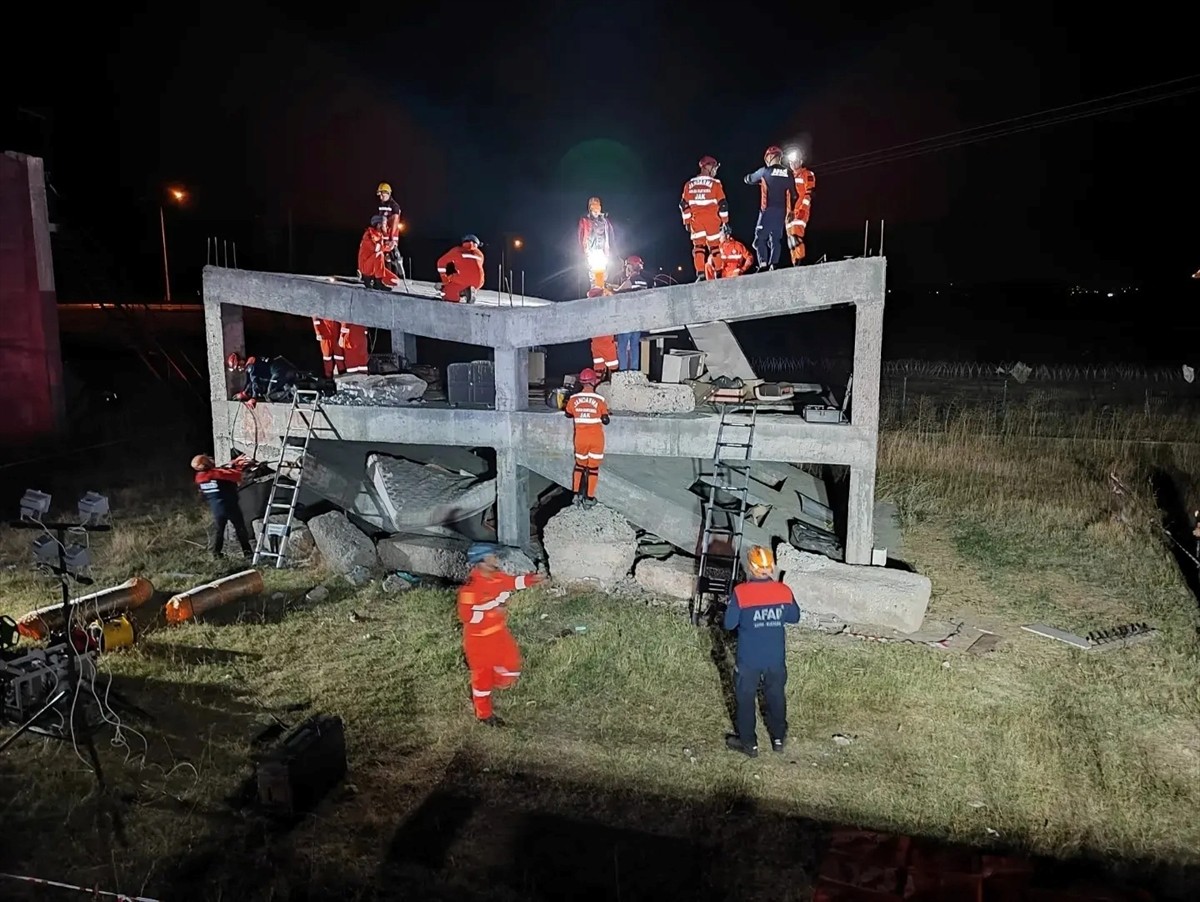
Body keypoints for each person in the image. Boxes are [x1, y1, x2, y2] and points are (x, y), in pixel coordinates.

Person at [722, 545, 801, 757]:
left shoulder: (741, 593)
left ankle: (749, 744)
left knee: (745, 698)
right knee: (776, 696)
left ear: (750, 567)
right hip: (775, 657)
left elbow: (729, 624)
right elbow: (794, 617)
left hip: (749, 659)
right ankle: (778, 738)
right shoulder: (783, 591)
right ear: (772, 566)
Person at [457, 542, 543, 726]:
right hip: (479, 641)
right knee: (483, 680)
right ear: (482, 561)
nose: (496, 558)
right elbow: (466, 616)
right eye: (492, 556)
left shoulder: (497, 577)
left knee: (511, 667)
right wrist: (492, 611)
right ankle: (484, 714)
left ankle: (491, 675)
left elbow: (512, 583)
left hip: (499, 634)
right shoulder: (470, 589)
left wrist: (531, 580)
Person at [191, 453, 255, 559]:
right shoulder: (217, 474)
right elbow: (236, 476)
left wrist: (233, 463)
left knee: (218, 531)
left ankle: (215, 554)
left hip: (216, 508)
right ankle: (248, 553)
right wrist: (240, 466)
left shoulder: (200, 477)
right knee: (240, 529)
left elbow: (221, 471)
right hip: (230, 505)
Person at [564, 368, 610, 507]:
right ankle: (589, 498)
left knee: (579, 466)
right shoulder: (600, 400)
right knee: (593, 469)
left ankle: (576, 494)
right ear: (594, 382)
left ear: (581, 382)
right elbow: (606, 420)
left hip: (580, 439)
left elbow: (568, 413)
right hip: (596, 440)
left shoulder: (573, 399)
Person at [743, 146, 794, 272]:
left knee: (759, 239)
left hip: (767, 211)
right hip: (782, 212)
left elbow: (749, 179)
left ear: (769, 157)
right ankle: (774, 264)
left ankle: (763, 264)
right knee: (775, 239)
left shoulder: (764, 171)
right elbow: (794, 194)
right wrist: (790, 211)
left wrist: (752, 179)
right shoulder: (788, 173)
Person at [680, 155, 730, 281]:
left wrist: (687, 222)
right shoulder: (715, 184)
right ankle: (719, 272)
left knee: (698, 248)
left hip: (696, 221)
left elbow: (684, 205)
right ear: (707, 167)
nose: (715, 170)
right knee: (715, 248)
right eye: (714, 167)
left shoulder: (688, 184)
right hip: (712, 221)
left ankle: (701, 274)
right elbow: (723, 205)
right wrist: (725, 221)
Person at [612, 255, 649, 371]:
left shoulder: (630, 281)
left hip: (626, 319)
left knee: (622, 346)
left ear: (630, 267)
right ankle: (634, 371)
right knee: (634, 346)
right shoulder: (643, 282)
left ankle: (623, 371)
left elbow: (616, 294)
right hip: (637, 319)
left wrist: (607, 288)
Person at [785, 149, 817, 265]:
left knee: (796, 235)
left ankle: (800, 261)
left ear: (801, 161)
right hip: (789, 213)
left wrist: (803, 208)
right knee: (790, 240)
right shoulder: (788, 177)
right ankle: (795, 262)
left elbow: (809, 192)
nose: (793, 164)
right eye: (791, 162)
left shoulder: (807, 174)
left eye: (795, 161)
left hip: (800, 210)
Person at [578, 196, 616, 290]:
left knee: (603, 274)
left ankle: (602, 289)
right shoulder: (584, 221)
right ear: (590, 209)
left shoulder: (605, 222)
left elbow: (611, 236)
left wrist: (613, 251)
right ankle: (595, 291)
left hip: (603, 251)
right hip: (591, 251)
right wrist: (583, 252)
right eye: (593, 208)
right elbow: (581, 236)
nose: (596, 211)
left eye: (597, 208)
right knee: (593, 275)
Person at [437, 234, 486, 303]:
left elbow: (441, 262)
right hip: (479, 281)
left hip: (462, 278)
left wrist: (444, 277)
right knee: (463, 282)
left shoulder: (457, 250)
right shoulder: (480, 254)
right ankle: (466, 290)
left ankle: (452, 294)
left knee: (448, 291)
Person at [358, 215, 401, 290]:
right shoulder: (369, 235)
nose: (386, 227)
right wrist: (388, 247)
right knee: (379, 255)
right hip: (366, 266)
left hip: (374, 266)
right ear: (378, 225)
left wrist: (390, 246)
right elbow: (376, 249)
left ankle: (376, 278)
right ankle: (377, 282)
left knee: (394, 280)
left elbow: (381, 248)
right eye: (384, 224)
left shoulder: (379, 235)